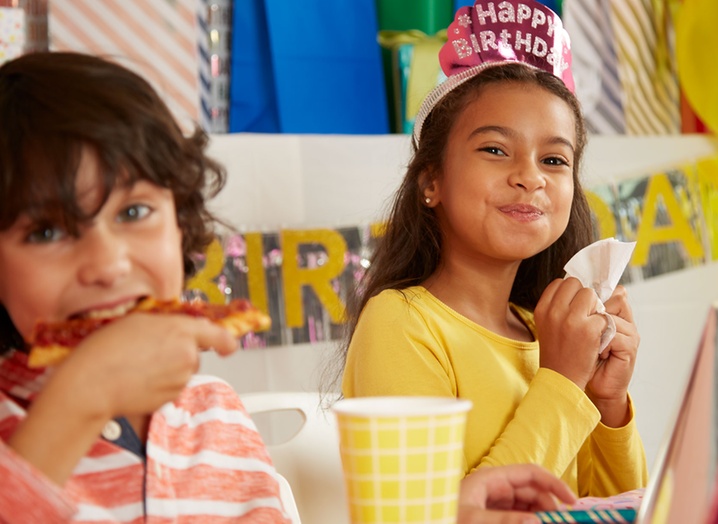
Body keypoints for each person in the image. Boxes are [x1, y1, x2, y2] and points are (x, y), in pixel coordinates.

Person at [338, 0, 648, 496]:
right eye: (495, 149)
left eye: (553, 159)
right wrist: (564, 382)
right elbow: (447, 515)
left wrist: (607, 402)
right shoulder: (400, 324)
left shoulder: (540, 329)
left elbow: (619, 508)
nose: (529, 177)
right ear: (431, 180)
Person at [0, 51, 292, 522]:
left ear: (179, 222)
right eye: (46, 232)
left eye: (133, 212)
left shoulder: (216, 412)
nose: (108, 265)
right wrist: (81, 399)